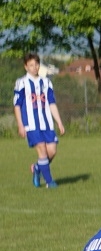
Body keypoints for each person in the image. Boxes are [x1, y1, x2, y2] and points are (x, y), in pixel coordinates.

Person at [14, 52, 67, 189]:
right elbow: (17, 105)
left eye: (36, 64)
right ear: (26, 67)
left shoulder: (46, 82)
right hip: (31, 125)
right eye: (31, 65)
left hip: (47, 123)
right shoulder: (21, 83)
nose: (34, 67)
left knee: (52, 151)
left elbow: (52, 103)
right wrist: (20, 124)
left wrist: (59, 122)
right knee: (42, 150)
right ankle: (50, 182)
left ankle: (37, 168)